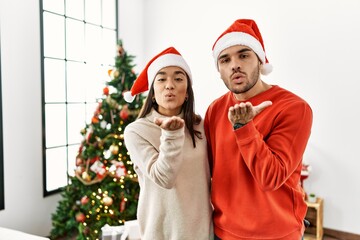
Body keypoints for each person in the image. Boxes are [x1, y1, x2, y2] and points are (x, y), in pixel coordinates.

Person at [204, 19, 313, 240]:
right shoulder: (215, 109)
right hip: (223, 233)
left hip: (276, 234)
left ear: (260, 61)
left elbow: (271, 178)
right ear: (219, 70)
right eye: (225, 59)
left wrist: (243, 127)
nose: (234, 64)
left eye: (243, 55)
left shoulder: (294, 108)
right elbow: (206, 170)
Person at [123, 47, 213, 240]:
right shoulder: (136, 131)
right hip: (161, 233)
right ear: (153, 93)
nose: (169, 85)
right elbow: (164, 178)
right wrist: (171, 135)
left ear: (187, 93)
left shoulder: (200, 126)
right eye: (161, 79)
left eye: (178, 78)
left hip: (202, 232)